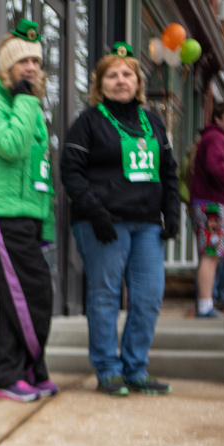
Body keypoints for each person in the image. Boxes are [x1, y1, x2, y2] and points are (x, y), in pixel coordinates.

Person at [59, 43, 178, 397]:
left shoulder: (153, 121)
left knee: (148, 297)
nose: (120, 80)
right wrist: (96, 211)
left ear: (137, 81)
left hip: (146, 224)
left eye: (127, 74)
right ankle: (108, 370)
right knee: (105, 296)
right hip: (102, 224)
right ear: (100, 84)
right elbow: (71, 171)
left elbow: (169, 172)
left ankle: (136, 368)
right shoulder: (89, 122)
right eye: (112, 75)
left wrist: (171, 212)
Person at [0, 19, 58, 402]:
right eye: (23, 61)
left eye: (36, 62)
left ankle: (19, 370)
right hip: (0, 215)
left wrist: (46, 223)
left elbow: (42, 171)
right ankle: (12, 373)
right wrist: (25, 100)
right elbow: (11, 145)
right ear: (7, 66)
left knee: (22, 295)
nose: (32, 68)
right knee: (30, 294)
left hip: (29, 216)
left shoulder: (32, 107)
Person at [189, 99, 224, 318]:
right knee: (211, 255)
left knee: (212, 255)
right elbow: (216, 167)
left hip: (207, 201)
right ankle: (205, 306)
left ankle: (206, 304)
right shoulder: (216, 138)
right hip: (210, 204)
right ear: (218, 118)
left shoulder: (214, 138)